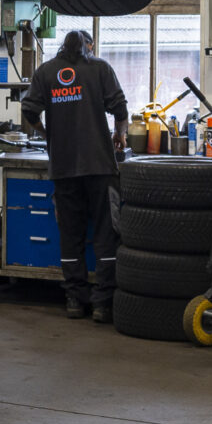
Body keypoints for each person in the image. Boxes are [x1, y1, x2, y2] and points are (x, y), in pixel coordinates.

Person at [20, 30, 128, 322]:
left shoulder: (46, 72)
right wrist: (120, 133)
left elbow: (29, 111)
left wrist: (47, 134)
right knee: (107, 235)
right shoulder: (100, 68)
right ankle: (103, 304)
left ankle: (74, 301)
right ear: (89, 47)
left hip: (64, 168)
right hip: (101, 167)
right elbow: (119, 106)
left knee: (70, 236)